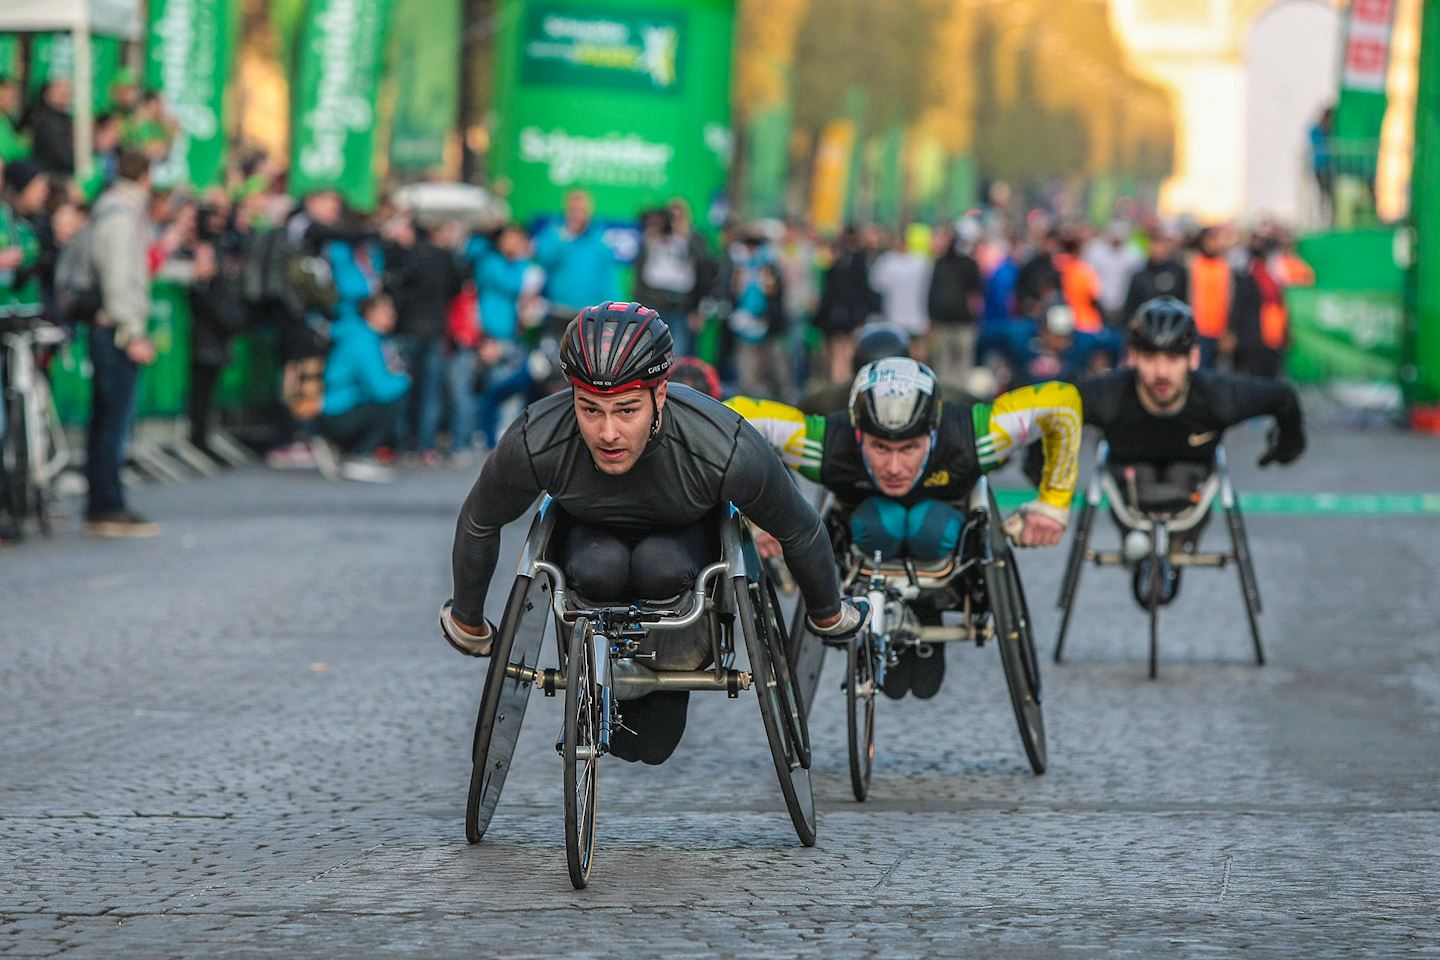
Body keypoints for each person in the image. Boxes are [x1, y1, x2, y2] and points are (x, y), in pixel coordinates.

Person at [441, 302, 865, 765]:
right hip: (589, 555)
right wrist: (468, 619)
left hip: (682, 563)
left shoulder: (723, 443)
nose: (608, 433)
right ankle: (598, 670)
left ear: (660, 394)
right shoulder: (536, 437)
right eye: (589, 410)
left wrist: (826, 613)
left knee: (657, 572)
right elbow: (480, 518)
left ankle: (657, 673)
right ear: (571, 397)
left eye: (626, 410)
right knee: (599, 568)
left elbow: (799, 527)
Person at [729, 357, 1081, 699]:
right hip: (867, 534)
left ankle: (930, 604)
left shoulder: (977, 433)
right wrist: (762, 519)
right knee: (881, 521)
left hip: (944, 535)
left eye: (910, 448)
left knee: (928, 525)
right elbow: (733, 420)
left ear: (933, 431)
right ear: (857, 432)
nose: (895, 466)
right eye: (880, 447)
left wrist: (1053, 504)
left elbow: (1061, 403)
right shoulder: (825, 443)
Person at [86, 150, 159, 537]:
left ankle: (106, 501)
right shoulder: (119, 214)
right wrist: (132, 332)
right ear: (145, 175)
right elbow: (117, 281)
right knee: (113, 423)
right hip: (114, 331)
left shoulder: (114, 209)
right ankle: (106, 506)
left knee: (109, 421)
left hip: (111, 328)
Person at [384, 215, 464, 462]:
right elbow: (457, 286)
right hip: (436, 329)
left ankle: (401, 443)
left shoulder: (407, 256)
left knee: (404, 388)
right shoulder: (444, 256)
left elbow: (393, 285)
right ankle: (426, 446)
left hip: (408, 329)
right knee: (431, 393)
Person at [314, 292, 410, 482]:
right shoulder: (361, 341)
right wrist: (404, 379)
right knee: (394, 400)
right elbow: (381, 389)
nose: (393, 313)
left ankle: (354, 451)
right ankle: (359, 455)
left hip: (345, 408)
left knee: (394, 395)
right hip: (337, 413)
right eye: (387, 309)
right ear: (370, 314)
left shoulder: (371, 337)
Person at [533, 189, 618, 317]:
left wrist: (613, 309)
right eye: (573, 210)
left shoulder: (600, 238)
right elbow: (544, 259)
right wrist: (565, 237)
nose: (577, 215)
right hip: (557, 309)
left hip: (590, 313)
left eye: (582, 211)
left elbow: (608, 278)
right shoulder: (555, 233)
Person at [926, 223, 985, 385]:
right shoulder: (940, 264)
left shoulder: (966, 264)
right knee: (944, 368)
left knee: (959, 368)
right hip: (945, 324)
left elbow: (975, 295)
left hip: (962, 323)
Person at [1122, 226, 1188, 324]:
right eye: (1155, 244)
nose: (1158, 249)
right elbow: (1131, 306)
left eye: (1162, 244)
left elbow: (1183, 301)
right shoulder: (1139, 275)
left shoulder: (1178, 272)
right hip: (1145, 327)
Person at [1084, 222, 1143, 328]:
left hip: (1123, 305)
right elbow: (1086, 275)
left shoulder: (1133, 253)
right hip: (1097, 303)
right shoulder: (1095, 250)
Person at [27, 80, 74, 175]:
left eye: (67, 94)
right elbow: (59, 152)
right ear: (47, 93)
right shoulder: (47, 118)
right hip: (51, 172)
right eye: (62, 93)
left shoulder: (60, 117)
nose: (66, 97)